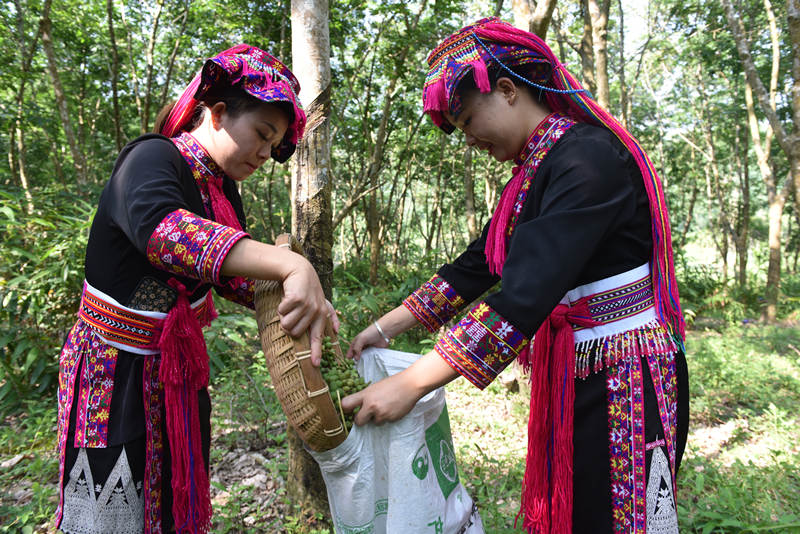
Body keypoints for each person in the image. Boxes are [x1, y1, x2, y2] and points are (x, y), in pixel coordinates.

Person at [343, 18, 689, 534]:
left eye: (466, 121)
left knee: (612, 517)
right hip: (577, 368)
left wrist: (411, 384)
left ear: (506, 90)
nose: (469, 139)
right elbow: (475, 267)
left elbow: (524, 294)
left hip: (623, 374)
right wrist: (381, 331)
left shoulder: (587, 157)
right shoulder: (533, 174)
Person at [55, 44, 337, 534]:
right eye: (263, 135)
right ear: (218, 112)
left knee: (172, 505)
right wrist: (290, 264)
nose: (266, 153)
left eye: (274, 145)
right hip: (113, 373)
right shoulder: (152, 157)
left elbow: (234, 276)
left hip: (177, 376)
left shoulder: (222, 192)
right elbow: (165, 233)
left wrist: (303, 297)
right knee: (110, 509)